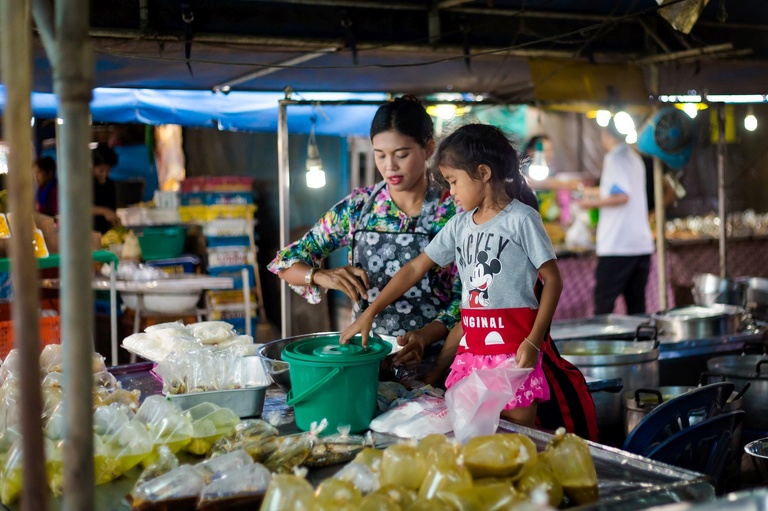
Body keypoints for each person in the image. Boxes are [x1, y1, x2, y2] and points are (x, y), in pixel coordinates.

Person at [340, 123, 564, 428]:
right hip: (471, 352)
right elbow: (414, 268)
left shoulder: (522, 220)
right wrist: (370, 311)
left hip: (514, 352)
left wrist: (534, 341)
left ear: (483, 174)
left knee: (517, 434)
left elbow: (552, 280)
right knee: (473, 434)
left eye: (454, 181)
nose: (452, 191)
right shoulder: (459, 225)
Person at [268, 95, 461, 364]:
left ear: (428, 149)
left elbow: (466, 299)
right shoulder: (358, 208)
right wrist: (322, 276)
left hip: (435, 358)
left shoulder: (452, 211)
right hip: (366, 356)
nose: (389, 166)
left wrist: (425, 336)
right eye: (380, 155)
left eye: (401, 155)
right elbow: (284, 263)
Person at [578, 118, 654, 315]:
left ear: (607, 134)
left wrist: (589, 203)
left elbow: (621, 195)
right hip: (641, 244)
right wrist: (594, 193)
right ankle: (641, 344)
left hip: (619, 244)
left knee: (604, 304)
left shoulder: (614, 157)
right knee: (636, 306)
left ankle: (601, 345)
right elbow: (619, 190)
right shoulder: (634, 157)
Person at [91, 142, 121, 234]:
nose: (104, 174)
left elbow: (112, 209)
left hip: (104, 235)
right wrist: (104, 211)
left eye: (108, 170)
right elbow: (78, 207)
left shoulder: (110, 184)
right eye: (101, 170)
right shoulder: (84, 184)